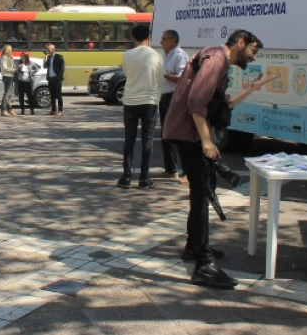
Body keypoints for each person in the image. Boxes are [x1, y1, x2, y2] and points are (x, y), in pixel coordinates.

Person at [162, 29, 275, 289]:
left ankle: (194, 247)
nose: (253, 57)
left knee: (201, 192)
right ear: (240, 42)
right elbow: (196, 103)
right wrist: (206, 141)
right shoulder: (216, 59)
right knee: (201, 194)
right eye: (253, 50)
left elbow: (222, 106)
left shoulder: (217, 60)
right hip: (187, 133)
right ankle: (204, 265)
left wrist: (253, 89)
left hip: (185, 132)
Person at [117, 24, 163, 190]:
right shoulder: (157, 55)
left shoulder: (127, 55)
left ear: (133, 37)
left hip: (130, 100)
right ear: (148, 36)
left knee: (129, 139)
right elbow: (160, 79)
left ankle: (126, 177)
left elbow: (127, 74)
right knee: (147, 140)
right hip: (149, 101)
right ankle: (144, 178)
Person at [158, 29, 189, 179]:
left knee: (177, 134)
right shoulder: (166, 55)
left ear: (174, 41)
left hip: (174, 97)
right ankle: (170, 169)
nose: (161, 42)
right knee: (165, 133)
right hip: (165, 97)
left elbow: (182, 78)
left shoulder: (179, 55)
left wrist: (164, 75)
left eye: (164, 39)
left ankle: (185, 171)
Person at [43, 42, 65, 116]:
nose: (47, 50)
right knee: (52, 95)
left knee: (58, 95)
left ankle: (60, 110)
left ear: (53, 49)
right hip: (50, 79)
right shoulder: (48, 57)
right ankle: (53, 110)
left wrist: (58, 77)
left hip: (57, 79)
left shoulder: (59, 57)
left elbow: (62, 68)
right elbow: (45, 66)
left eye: (48, 49)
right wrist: (45, 59)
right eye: (47, 49)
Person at [0, 44, 15, 117]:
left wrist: (12, 59)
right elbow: (5, 68)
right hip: (7, 76)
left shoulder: (8, 57)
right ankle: (3, 110)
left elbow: (10, 66)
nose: (12, 51)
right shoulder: (4, 57)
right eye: (10, 49)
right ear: (7, 50)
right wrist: (14, 70)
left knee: (9, 94)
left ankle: (10, 110)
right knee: (6, 94)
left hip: (10, 76)